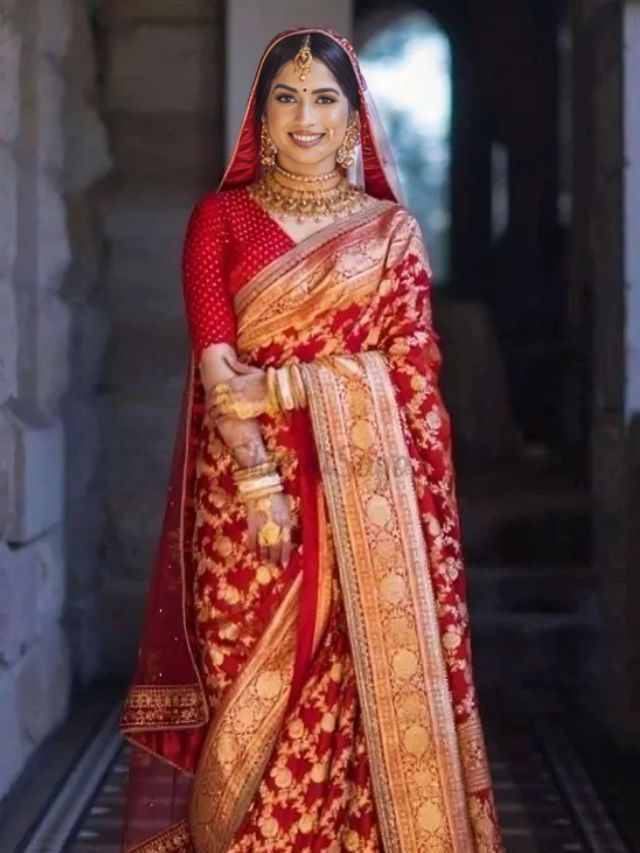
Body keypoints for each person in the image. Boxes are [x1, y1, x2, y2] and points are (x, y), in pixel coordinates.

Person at [120, 27, 503, 853]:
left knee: (360, 711)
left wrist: (292, 385)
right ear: (261, 115)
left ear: (353, 117)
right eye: (286, 98)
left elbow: (413, 376)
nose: (305, 117)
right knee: (247, 704)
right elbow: (219, 369)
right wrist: (264, 491)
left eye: (325, 99)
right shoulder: (220, 220)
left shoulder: (391, 234)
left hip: (368, 507)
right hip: (249, 512)